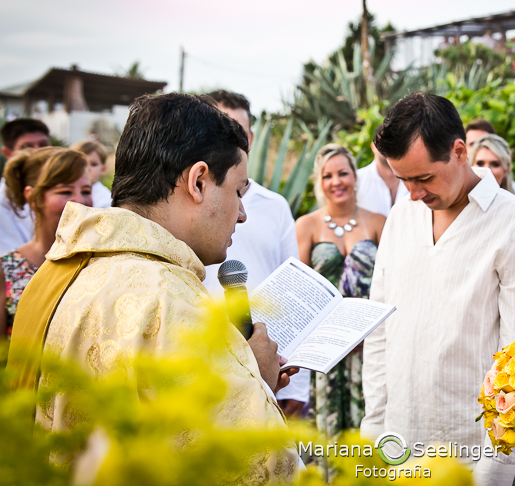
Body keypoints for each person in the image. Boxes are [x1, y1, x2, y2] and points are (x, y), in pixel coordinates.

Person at [7, 93, 300, 481]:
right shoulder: (169, 300)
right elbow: (253, 464)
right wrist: (258, 382)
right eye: (238, 192)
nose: (243, 214)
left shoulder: (56, 272)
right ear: (198, 181)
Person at [359, 93, 515, 481]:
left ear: (460, 151)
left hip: (471, 454)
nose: (413, 193)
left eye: (424, 178)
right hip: (396, 443)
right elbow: (379, 330)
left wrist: (495, 469)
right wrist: (373, 430)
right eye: (403, 180)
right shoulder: (401, 216)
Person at [202, 90, 310, 418]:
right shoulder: (190, 213)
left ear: (250, 137)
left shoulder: (275, 206)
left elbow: (293, 290)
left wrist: (296, 383)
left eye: (239, 131)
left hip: (270, 362)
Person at [296, 144, 385, 440]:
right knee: (331, 432)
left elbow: (391, 283)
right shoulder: (306, 225)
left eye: (343, 173)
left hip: (370, 343)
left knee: (372, 424)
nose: (336, 182)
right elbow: (300, 291)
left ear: (355, 177)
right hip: (326, 349)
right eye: (327, 176)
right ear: (319, 183)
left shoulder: (378, 222)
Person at [1, 148, 91, 338]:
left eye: (86, 191)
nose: (79, 201)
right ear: (33, 198)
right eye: (65, 191)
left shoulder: (98, 264)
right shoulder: (7, 269)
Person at [0, 119, 51, 255]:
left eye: (43, 145)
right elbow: (10, 261)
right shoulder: (2, 203)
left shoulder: (59, 192)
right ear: (8, 153)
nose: (38, 152)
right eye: (27, 147)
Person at [356, 143, 409, 217]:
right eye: (384, 142)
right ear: (373, 146)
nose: (389, 147)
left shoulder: (414, 176)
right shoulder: (357, 179)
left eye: (393, 142)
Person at [70, 140, 112, 208]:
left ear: (103, 169)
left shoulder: (105, 199)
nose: (87, 168)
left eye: (93, 164)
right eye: (81, 163)